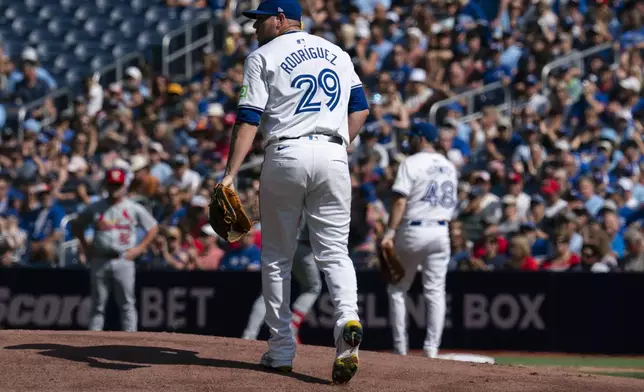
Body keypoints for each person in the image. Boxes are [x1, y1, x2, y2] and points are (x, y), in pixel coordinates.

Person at [220, 0, 369, 384]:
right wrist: (340, 146)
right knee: (334, 252)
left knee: (276, 258)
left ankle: (282, 350)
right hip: (335, 154)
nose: (254, 29)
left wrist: (230, 174)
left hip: (286, 152)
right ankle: (347, 319)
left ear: (281, 18)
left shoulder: (262, 56)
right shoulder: (337, 52)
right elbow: (361, 108)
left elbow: (249, 117)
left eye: (260, 21)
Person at [380, 125, 458, 359]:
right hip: (441, 230)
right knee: (435, 292)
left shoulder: (410, 162)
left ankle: (400, 348)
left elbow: (400, 201)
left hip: (414, 229)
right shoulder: (449, 166)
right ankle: (431, 349)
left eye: (412, 137)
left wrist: (390, 232)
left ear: (421, 138)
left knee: (397, 288)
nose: (409, 141)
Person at [71, 168, 159, 332]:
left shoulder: (133, 207)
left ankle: (131, 343)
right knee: (98, 304)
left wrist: (139, 249)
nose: (114, 188)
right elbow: (76, 224)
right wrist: (86, 246)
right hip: (100, 258)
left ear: (124, 185)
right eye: (111, 185)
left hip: (123, 258)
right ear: (106, 185)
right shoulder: (96, 207)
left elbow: (153, 227)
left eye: (117, 185)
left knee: (127, 303)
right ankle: (91, 342)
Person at [242, 221, 321, 343]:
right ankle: (293, 323)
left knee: (268, 292)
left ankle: (249, 334)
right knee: (312, 288)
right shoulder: (315, 203)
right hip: (301, 246)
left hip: (278, 245)